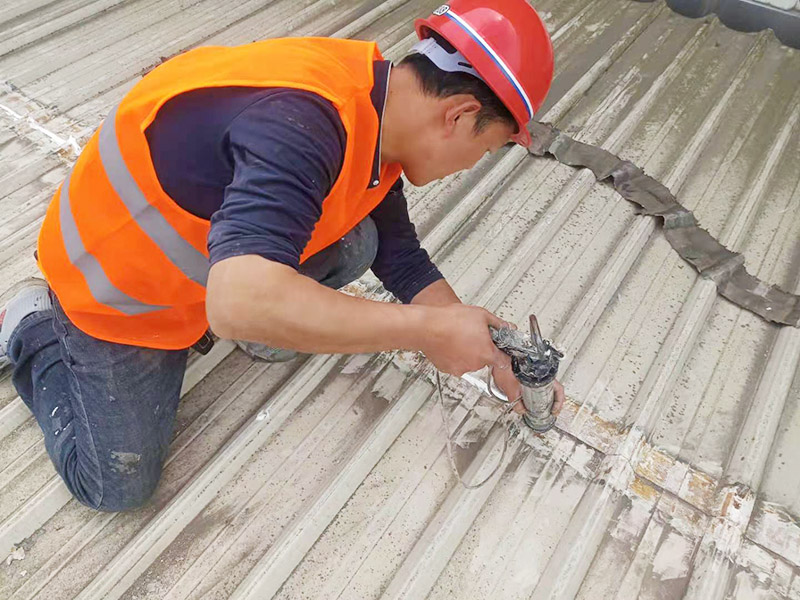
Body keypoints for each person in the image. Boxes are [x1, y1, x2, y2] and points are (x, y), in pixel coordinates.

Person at [0, 0, 563, 512]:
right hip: (118, 297)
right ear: (461, 116)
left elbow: (400, 255)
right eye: (484, 150)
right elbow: (236, 303)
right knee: (117, 486)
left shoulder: (377, 103)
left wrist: (490, 350)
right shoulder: (301, 125)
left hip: (208, 274)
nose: (470, 165)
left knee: (359, 240)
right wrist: (424, 332)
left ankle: (275, 310)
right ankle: (32, 326)